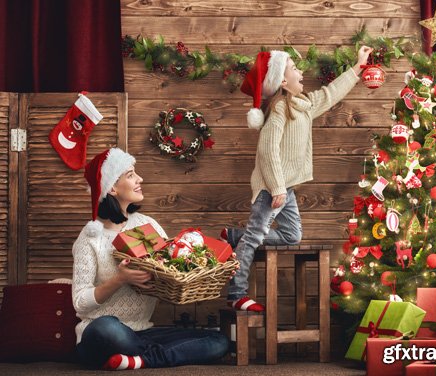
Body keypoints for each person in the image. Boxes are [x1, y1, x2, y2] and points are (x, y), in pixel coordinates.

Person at [222, 46, 373, 312]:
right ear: (282, 80)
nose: (300, 71)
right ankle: (236, 294)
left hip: (286, 187)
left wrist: (358, 67)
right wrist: (277, 187)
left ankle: (234, 235)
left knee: (292, 235)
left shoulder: (302, 105)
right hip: (273, 187)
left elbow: (330, 94)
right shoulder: (280, 109)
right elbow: (267, 150)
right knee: (253, 239)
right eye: (294, 68)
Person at [72, 148, 229, 370]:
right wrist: (120, 279)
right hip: (104, 336)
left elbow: (172, 272)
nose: (140, 179)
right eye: (130, 175)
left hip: (143, 332)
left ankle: (140, 360)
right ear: (113, 188)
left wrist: (215, 271)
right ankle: (152, 356)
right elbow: (79, 303)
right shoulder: (90, 237)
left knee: (219, 342)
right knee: (105, 327)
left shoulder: (147, 224)